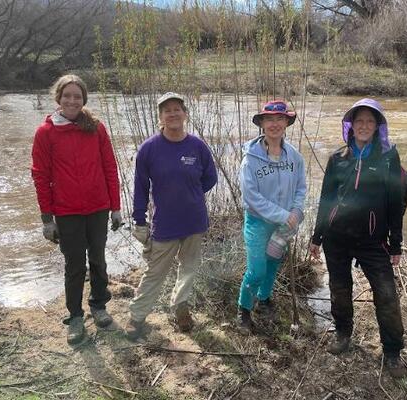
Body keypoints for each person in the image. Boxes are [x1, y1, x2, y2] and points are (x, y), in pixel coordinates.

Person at [309, 98, 407, 378]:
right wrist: (316, 237)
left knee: (386, 295)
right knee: (340, 289)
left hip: (373, 240)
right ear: (351, 126)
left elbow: (395, 202)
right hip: (337, 239)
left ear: (377, 127)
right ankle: (342, 333)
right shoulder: (338, 158)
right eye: (359, 121)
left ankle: (392, 352)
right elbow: (326, 200)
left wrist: (395, 243)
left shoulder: (388, 158)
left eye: (370, 122)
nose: (364, 126)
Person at [31, 74, 123, 345]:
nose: (72, 100)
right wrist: (47, 219)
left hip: (98, 208)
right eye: (67, 95)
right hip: (67, 212)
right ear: (58, 98)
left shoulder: (96, 128)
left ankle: (99, 305)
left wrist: (115, 208)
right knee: (74, 265)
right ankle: (75, 316)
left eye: (77, 96)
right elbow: (40, 176)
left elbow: (109, 168)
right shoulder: (45, 133)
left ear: (84, 100)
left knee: (98, 259)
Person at [125, 92, 218, 340]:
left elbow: (210, 177)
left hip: (194, 221)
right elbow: (141, 187)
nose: (173, 114)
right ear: (161, 117)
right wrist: (139, 220)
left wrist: (193, 194)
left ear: (185, 114)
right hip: (165, 223)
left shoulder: (197, 146)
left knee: (189, 268)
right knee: (156, 271)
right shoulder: (149, 149)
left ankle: (181, 307)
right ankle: (136, 316)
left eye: (178, 109)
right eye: (167, 110)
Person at [236, 100, 307, 334]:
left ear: (286, 122)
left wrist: (296, 211)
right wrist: (283, 214)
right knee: (256, 269)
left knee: (273, 263)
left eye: (279, 119)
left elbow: (300, 188)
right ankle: (244, 309)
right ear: (262, 124)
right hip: (258, 223)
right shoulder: (250, 159)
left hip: (284, 225)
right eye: (269, 119)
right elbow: (251, 196)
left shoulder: (295, 157)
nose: (274, 124)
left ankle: (264, 300)